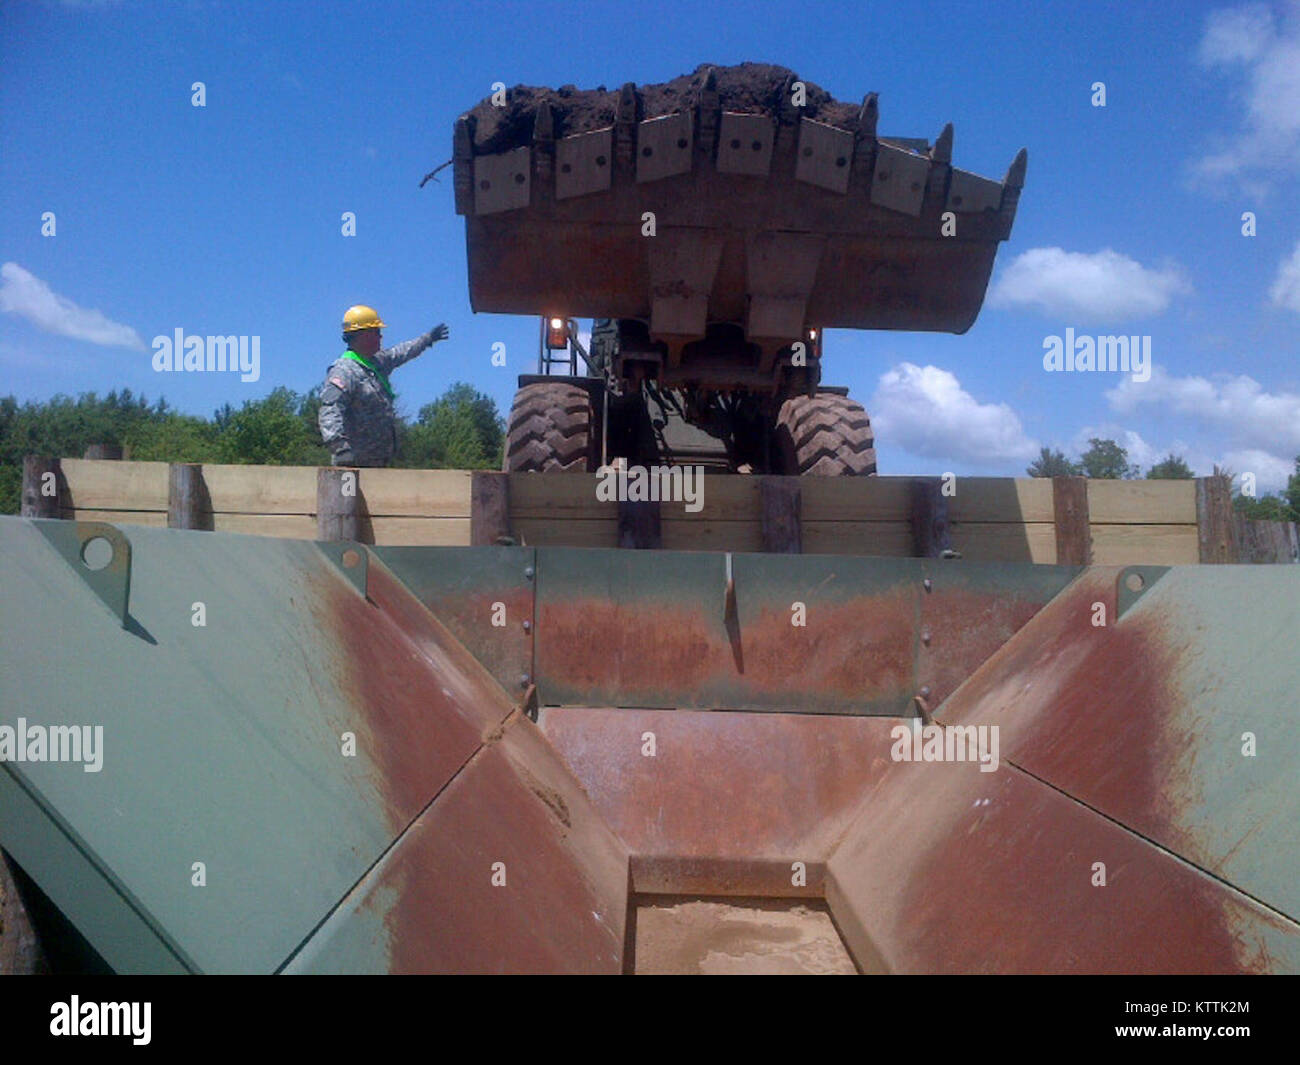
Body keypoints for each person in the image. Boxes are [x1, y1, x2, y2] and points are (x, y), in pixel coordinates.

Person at [318, 305, 449, 467]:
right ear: (363, 335)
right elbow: (330, 409)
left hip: (379, 462)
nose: (381, 337)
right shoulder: (344, 371)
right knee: (348, 493)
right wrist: (340, 448)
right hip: (352, 465)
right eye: (377, 332)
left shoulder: (377, 362)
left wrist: (427, 339)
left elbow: (402, 352)